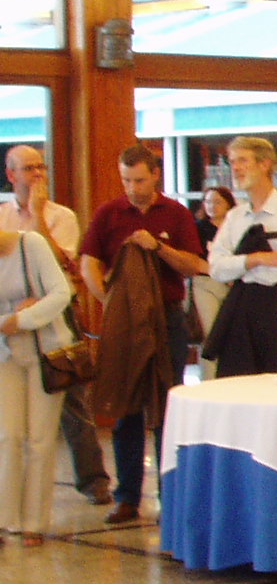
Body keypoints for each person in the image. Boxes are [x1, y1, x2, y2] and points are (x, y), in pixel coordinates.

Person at [82, 145, 206, 526]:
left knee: (167, 407)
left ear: (155, 175)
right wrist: (110, 301)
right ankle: (127, 498)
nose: (132, 188)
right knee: (128, 408)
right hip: (126, 323)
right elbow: (88, 262)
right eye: (126, 180)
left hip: (167, 318)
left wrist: (159, 247)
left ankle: (171, 498)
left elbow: (195, 265)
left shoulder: (176, 213)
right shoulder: (109, 213)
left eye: (139, 180)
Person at [0, 144, 109, 505]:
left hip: (56, 315)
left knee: (70, 396)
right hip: (12, 320)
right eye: (28, 168)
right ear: (11, 174)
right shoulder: (2, 216)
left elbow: (59, 263)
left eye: (41, 167)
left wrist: (37, 215)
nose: (37, 174)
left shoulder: (62, 216)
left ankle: (93, 479)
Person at [208, 135, 277, 367]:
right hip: (240, 311)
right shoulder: (235, 216)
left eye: (242, 160)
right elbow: (215, 268)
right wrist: (256, 258)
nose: (235, 168)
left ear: (265, 164)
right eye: (232, 162)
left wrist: (237, 268)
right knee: (241, 381)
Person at [0, 220, 74, 545]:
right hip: (5, 354)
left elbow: (61, 293)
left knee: (40, 438)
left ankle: (34, 522)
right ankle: (5, 519)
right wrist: (9, 319)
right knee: (8, 436)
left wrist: (24, 318)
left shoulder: (31, 245)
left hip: (46, 353)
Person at [189, 185, 232, 345]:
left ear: (228, 204)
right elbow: (195, 259)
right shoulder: (198, 228)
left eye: (217, 202)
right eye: (208, 202)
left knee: (231, 331)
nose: (212, 206)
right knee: (211, 331)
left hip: (233, 284)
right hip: (206, 281)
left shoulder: (235, 228)